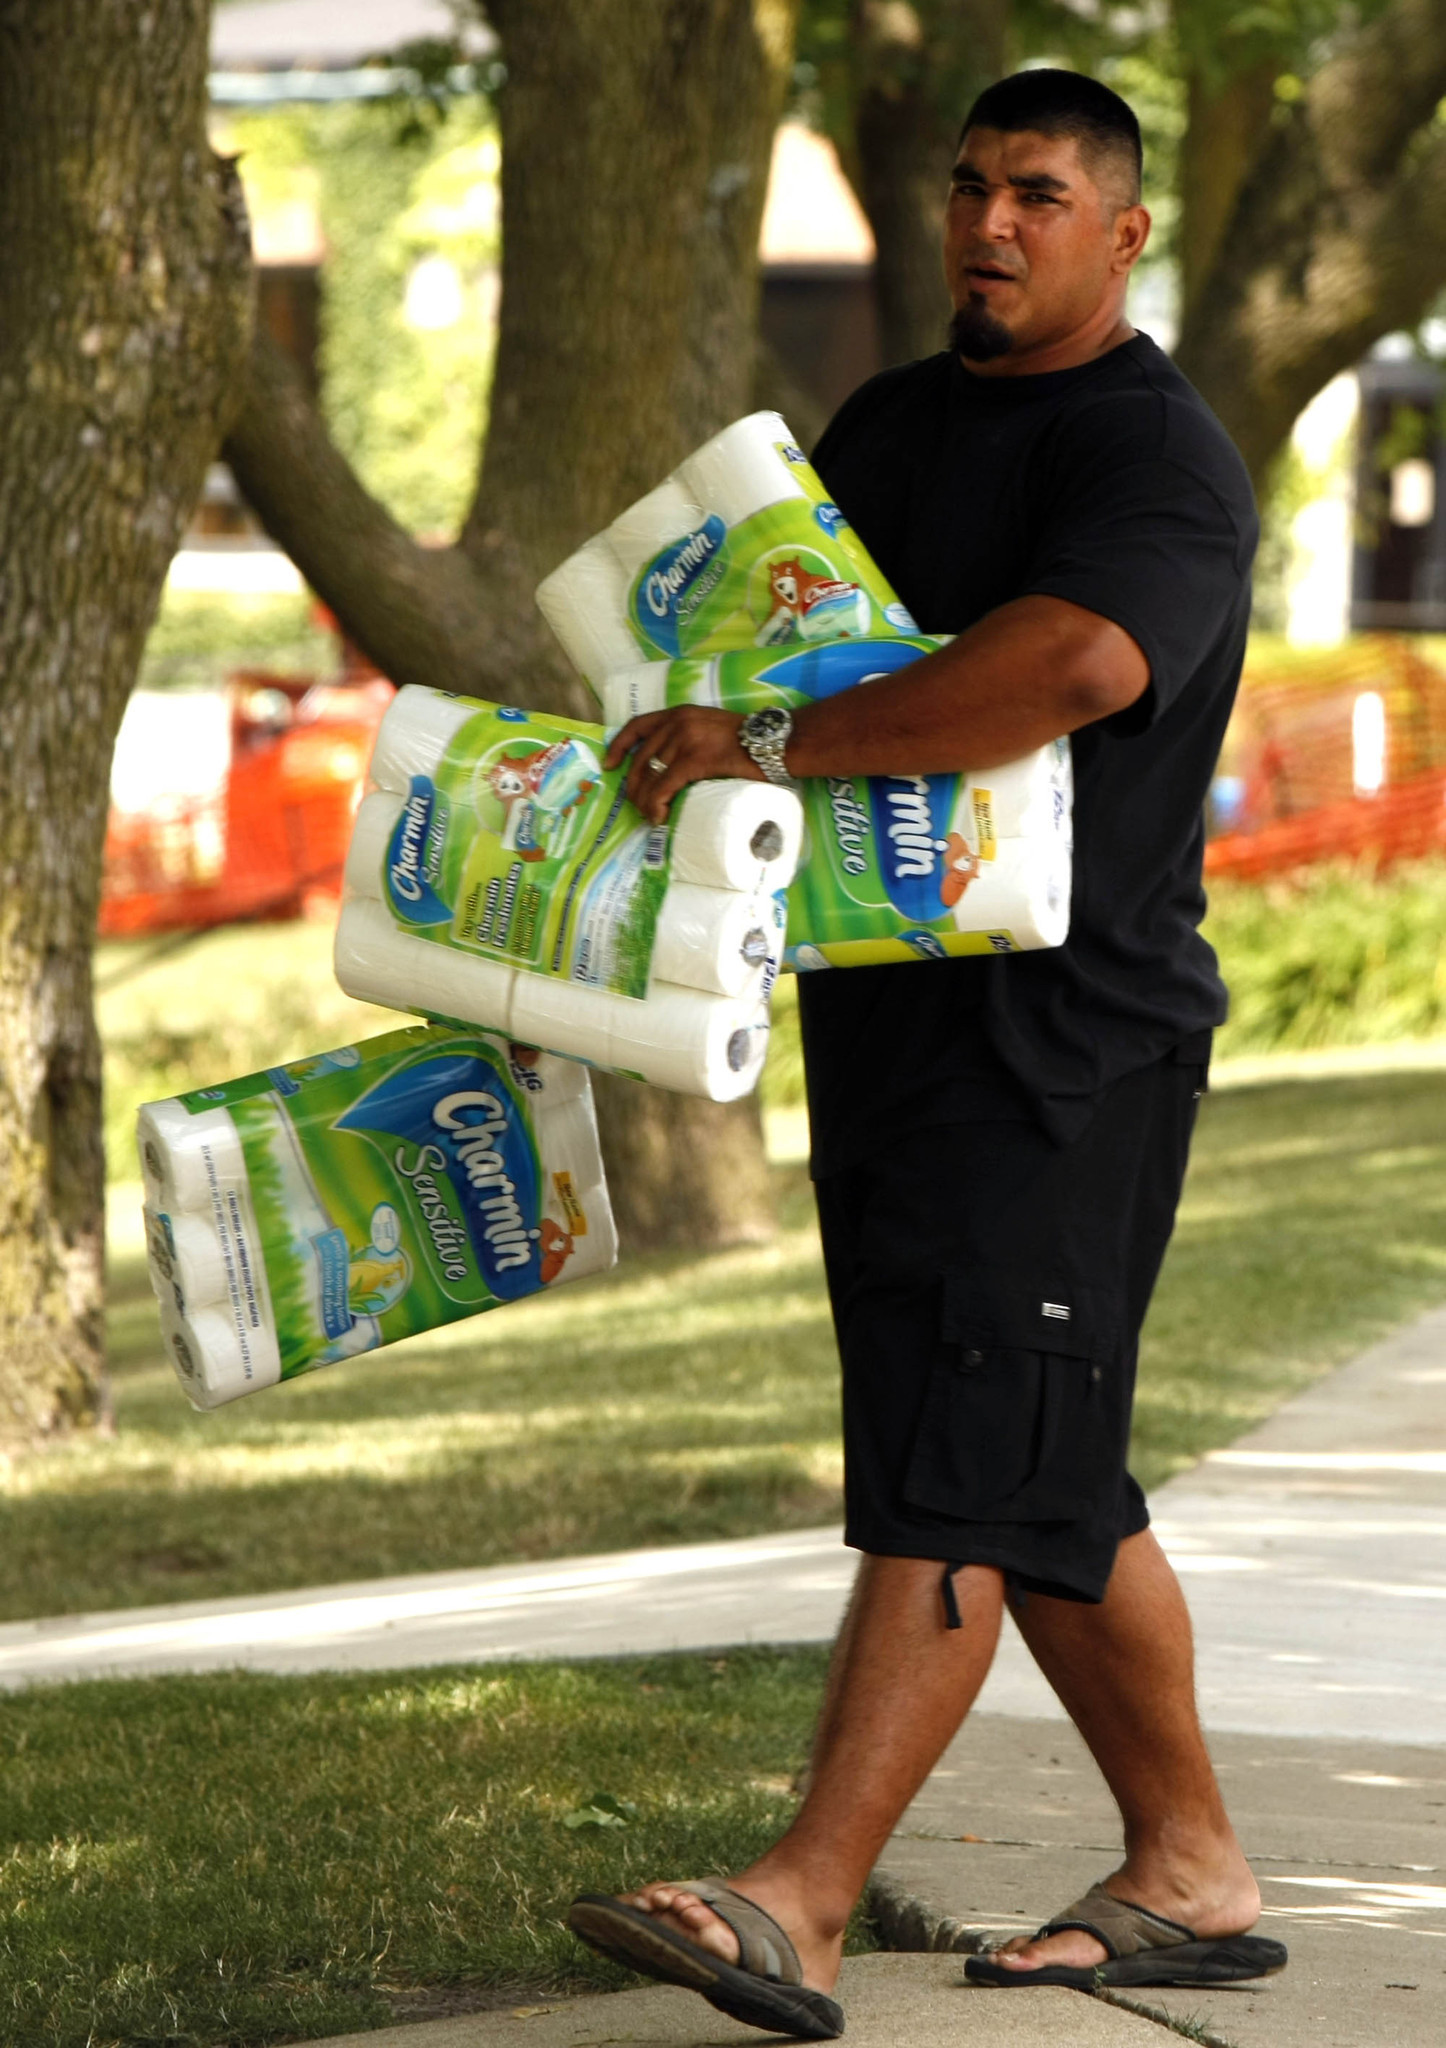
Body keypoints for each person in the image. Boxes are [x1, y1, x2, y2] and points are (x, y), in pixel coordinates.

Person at [568, 67, 1286, 2042]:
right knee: (1038, 1471)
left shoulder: (1157, 456)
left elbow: (1062, 667)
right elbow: (757, 660)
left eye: (1036, 193)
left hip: (1066, 1051)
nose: (989, 220)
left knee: (959, 1471)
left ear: (1121, 230)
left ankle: (790, 1898)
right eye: (968, 186)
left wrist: (768, 743)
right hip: (885, 1026)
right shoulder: (884, 427)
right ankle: (1192, 1864)